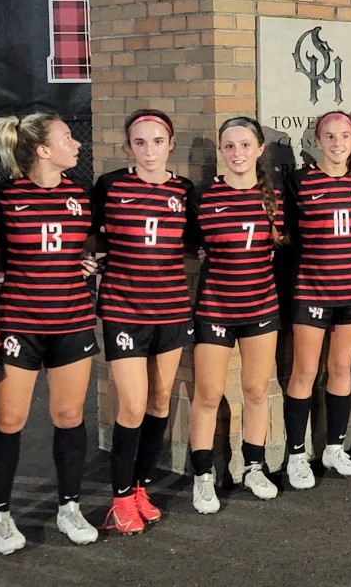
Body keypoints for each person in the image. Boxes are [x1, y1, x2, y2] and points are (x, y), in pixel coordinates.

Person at [0, 112, 100, 552]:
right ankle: (0, 515)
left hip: (71, 321)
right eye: (68, 138)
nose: (77, 145)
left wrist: (87, 263)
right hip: (19, 324)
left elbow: (83, 248)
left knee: (69, 417)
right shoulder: (4, 196)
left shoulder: (79, 196)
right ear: (43, 150)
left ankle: (69, 506)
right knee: (10, 420)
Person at [91, 110, 198, 535]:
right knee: (132, 405)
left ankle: (139, 487)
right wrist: (84, 258)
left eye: (157, 141)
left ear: (171, 144)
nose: (149, 150)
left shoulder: (185, 190)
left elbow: (197, 242)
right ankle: (118, 499)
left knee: (159, 401)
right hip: (124, 309)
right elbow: (84, 231)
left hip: (171, 308)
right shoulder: (111, 185)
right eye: (140, 142)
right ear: (128, 147)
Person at [186, 117, 285, 512]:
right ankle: (203, 475)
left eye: (245, 145)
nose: (237, 153)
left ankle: (255, 467)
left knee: (257, 390)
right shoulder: (204, 197)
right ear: (221, 152)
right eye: (229, 146)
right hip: (215, 308)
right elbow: (192, 246)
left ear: (260, 149)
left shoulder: (275, 197)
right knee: (209, 394)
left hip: (261, 306)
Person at [282, 111, 351, 489]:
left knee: (341, 368)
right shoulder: (300, 182)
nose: (337, 143)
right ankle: (296, 454)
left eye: (345, 136)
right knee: (305, 373)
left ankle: (335, 448)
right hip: (312, 288)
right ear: (317, 141)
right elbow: (289, 238)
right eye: (329, 136)